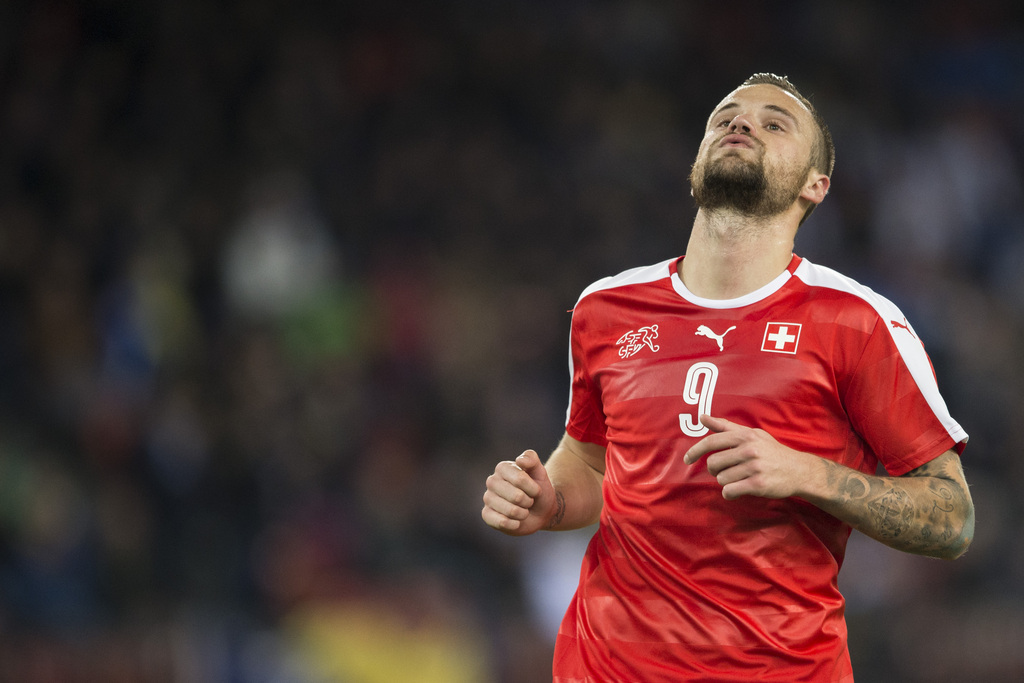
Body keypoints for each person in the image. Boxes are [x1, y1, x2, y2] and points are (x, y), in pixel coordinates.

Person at [480, 73, 975, 682]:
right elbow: (590, 465)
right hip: (605, 667)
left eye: (775, 123)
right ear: (696, 161)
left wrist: (806, 473)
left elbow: (953, 518)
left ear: (815, 187)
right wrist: (548, 500)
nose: (741, 124)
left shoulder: (856, 322)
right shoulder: (605, 309)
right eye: (726, 117)